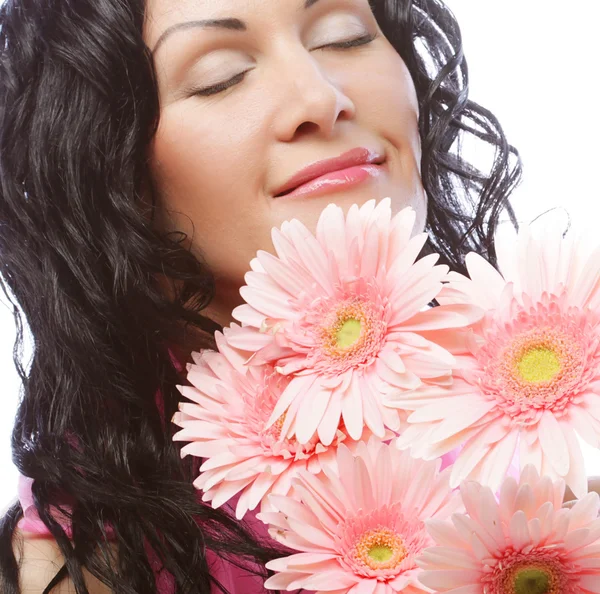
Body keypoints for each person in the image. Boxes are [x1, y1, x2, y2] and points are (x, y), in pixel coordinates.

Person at [0, 0, 524, 592]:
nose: (321, 98)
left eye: (345, 37)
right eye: (219, 77)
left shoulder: (536, 445)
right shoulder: (81, 562)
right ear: (100, 164)